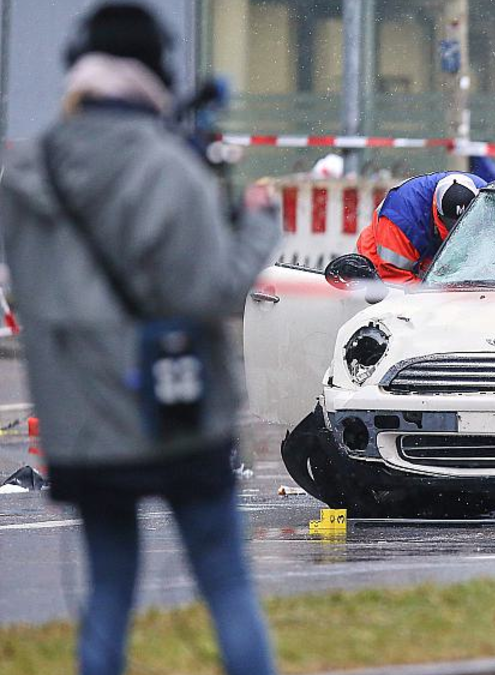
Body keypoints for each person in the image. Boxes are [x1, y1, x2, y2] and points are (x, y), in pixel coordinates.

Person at [0, 5, 277, 675]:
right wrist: (258, 227)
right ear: (154, 72)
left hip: (84, 430)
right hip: (177, 410)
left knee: (107, 590)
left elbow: (27, 294)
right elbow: (210, 290)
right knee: (225, 581)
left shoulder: (27, 174)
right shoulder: (170, 168)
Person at [356, 171, 486, 282]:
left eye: (464, 224)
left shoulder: (487, 198)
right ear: (436, 209)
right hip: (381, 263)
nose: (457, 231)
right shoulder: (400, 218)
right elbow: (394, 278)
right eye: (452, 225)